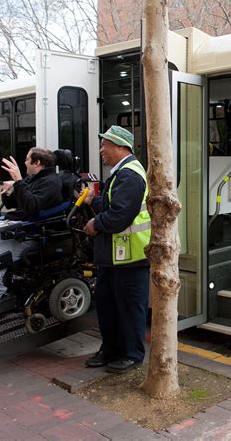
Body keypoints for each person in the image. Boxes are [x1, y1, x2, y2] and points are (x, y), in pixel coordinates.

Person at [0, 147, 63, 316]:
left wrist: (19, 181)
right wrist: (9, 191)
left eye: (27, 159)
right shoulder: (33, 179)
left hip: (29, 235)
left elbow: (32, 207)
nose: (24, 162)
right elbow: (12, 204)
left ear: (37, 163)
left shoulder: (52, 182)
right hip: (13, 228)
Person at [83, 125, 151, 374]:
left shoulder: (130, 174)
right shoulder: (120, 173)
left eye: (105, 145)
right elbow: (113, 203)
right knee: (108, 306)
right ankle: (111, 349)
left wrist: (94, 223)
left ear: (121, 147)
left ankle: (132, 354)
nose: (102, 150)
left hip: (130, 257)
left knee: (130, 308)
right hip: (113, 257)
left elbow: (120, 215)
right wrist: (93, 200)